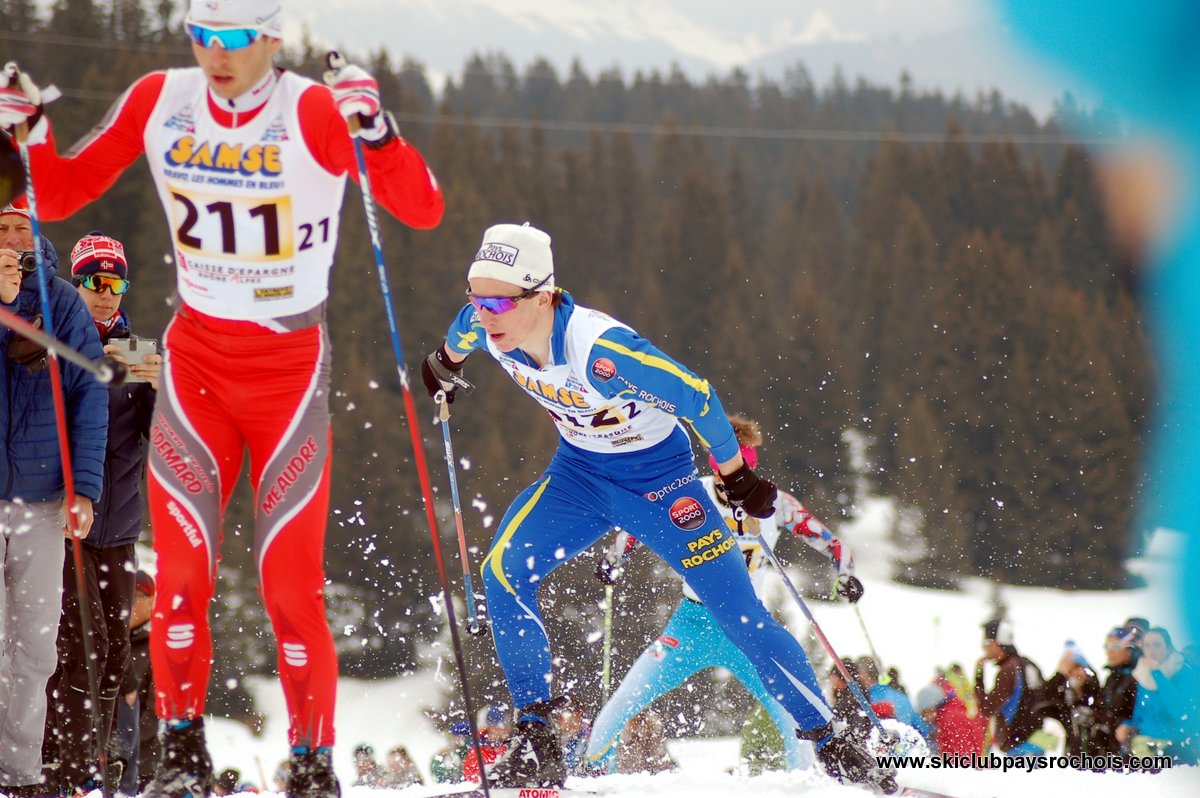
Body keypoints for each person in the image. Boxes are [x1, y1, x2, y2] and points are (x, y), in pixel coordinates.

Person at [0, 2, 444, 795]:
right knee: (178, 584)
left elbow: (421, 208)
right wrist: (25, 134)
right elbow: (58, 196)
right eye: (204, 35)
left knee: (288, 589)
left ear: (273, 38)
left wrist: (375, 131)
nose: (217, 54)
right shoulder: (159, 99)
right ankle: (179, 755)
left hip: (287, 378)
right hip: (196, 370)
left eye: (236, 38)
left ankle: (311, 764)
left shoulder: (307, 108)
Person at [420, 222, 894, 793]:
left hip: (662, 486)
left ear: (543, 295)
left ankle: (830, 740)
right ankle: (537, 739)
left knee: (739, 613)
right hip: (578, 478)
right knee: (501, 572)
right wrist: (445, 364)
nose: (483, 311)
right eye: (474, 294)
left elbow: (698, 395)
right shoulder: (484, 323)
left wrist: (736, 476)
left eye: (497, 299)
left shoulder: (602, 351)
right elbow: (459, 337)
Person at [585, 414, 862, 774]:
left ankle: (808, 783)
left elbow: (832, 544)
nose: (735, 484)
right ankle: (593, 775)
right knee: (626, 698)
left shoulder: (774, 503)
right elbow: (638, 527)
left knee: (793, 713)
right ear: (717, 470)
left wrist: (847, 575)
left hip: (748, 626)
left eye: (744, 475)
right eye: (729, 475)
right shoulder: (690, 494)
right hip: (691, 624)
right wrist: (614, 558)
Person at [42, 233, 160, 794]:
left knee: (116, 652)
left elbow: (161, 441)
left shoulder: (138, 351)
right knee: (77, 645)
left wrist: (163, 390)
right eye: (96, 282)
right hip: (69, 521)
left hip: (119, 525)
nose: (107, 296)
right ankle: (66, 763)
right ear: (78, 283)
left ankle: (95, 759)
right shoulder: (61, 338)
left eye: (117, 284)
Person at [0, 200, 107, 795]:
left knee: (36, 647)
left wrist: (84, 488)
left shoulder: (63, 301)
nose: (13, 237)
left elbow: (89, 392)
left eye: (22, 227)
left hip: (43, 500)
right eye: (2, 228)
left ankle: (19, 773)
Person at [1117, 626, 1200, 763]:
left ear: (1168, 648)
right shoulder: (1142, 676)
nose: (1151, 650)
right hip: (1143, 747)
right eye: (1147, 645)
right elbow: (1140, 715)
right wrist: (1127, 726)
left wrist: (1158, 674)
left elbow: (1181, 712)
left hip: (1175, 749)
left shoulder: (1183, 672)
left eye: (1157, 645)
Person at [974, 618, 1052, 760]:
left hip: (1018, 748)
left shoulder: (1008, 671)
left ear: (996, 643)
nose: (983, 648)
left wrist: (978, 676)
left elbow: (987, 708)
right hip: (1036, 743)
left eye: (985, 642)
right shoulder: (1028, 664)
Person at [111, 570, 158, 796]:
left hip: (143, 767)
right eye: (125, 596)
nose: (129, 604)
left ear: (150, 602)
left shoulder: (156, 647)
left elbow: (155, 712)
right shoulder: (104, 643)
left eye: (137, 597)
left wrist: (122, 742)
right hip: (102, 758)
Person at [914, 674, 985, 756]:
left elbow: (963, 756)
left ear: (933, 707)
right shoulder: (950, 715)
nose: (926, 718)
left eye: (926, 713)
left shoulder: (949, 719)